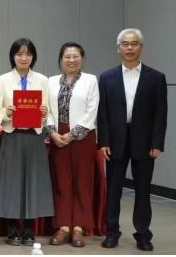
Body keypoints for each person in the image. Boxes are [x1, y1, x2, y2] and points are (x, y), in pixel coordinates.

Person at [98, 28, 168, 252]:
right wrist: (103, 141)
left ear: (141, 47)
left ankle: (143, 235)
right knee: (114, 191)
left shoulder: (156, 78)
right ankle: (111, 232)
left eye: (134, 43)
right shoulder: (106, 77)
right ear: (118, 48)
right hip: (115, 142)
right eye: (125, 44)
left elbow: (160, 114)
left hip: (145, 143)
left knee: (143, 191)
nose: (129, 48)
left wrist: (157, 143)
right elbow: (103, 113)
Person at [0, 38, 53, 246]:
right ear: (13, 56)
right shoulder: (1, 80)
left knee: (33, 182)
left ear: (33, 57)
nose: (24, 58)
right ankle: (12, 229)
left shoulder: (43, 80)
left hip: (34, 136)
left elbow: (47, 111)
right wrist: (6, 112)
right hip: (11, 135)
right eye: (19, 54)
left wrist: (44, 112)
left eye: (28, 54)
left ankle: (28, 229)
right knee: (10, 182)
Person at [46, 42, 99, 248]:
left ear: (82, 59)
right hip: (57, 135)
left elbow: (92, 110)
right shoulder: (51, 81)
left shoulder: (90, 80)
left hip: (83, 137)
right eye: (67, 56)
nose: (71, 60)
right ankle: (63, 226)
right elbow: (46, 109)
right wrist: (53, 132)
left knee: (82, 181)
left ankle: (78, 227)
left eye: (76, 56)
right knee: (62, 182)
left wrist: (72, 134)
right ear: (61, 59)